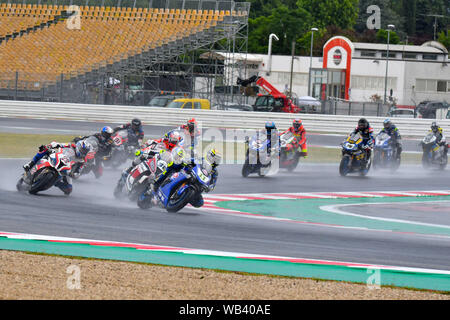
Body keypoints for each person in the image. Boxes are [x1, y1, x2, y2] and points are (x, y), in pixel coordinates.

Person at [115, 131, 181, 192]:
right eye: (172, 141)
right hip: (154, 157)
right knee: (139, 159)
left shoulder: (178, 148)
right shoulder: (162, 141)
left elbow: (181, 157)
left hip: (164, 165)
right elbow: (150, 143)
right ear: (169, 139)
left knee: (170, 175)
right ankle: (126, 173)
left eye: (175, 141)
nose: (173, 143)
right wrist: (143, 148)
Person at [21, 140, 90, 195]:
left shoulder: (83, 160)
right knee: (45, 149)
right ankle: (30, 163)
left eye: (85, 151)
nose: (83, 152)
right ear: (79, 147)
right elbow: (59, 144)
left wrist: (74, 174)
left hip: (66, 170)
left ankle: (54, 182)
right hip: (56, 158)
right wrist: (54, 144)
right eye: (83, 150)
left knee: (68, 190)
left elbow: (78, 171)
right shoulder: (70, 145)